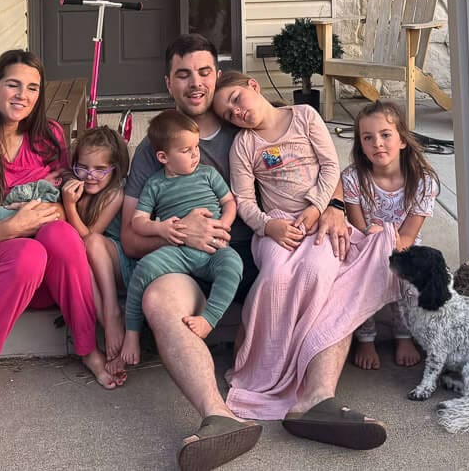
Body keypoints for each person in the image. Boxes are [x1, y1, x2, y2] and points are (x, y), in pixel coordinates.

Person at [0, 49, 122, 422]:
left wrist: (58, 204)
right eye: (13, 85)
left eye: (32, 88)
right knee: (27, 254)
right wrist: (10, 227)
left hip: (39, 287)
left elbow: (67, 187)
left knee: (62, 238)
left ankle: (88, 348)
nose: (23, 95)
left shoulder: (47, 135)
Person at [215, 70, 396, 447]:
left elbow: (331, 167)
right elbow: (244, 199)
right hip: (277, 228)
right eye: (229, 115)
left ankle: (306, 376)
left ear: (252, 85)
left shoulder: (304, 116)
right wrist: (268, 227)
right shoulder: (244, 145)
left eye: (236, 100)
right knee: (275, 280)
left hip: (320, 222)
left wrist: (319, 208)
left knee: (318, 270)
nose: (237, 113)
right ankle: (263, 373)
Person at [122, 110, 244, 366]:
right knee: (144, 269)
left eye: (196, 147)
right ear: (163, 157)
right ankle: (131, 332)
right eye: (186, 150)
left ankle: (208, 319)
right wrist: (162, 229)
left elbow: (229, 202)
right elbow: (138, 221)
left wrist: (223, 224)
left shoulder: (208, 174)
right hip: (177, 250)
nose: (195, 154)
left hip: (214, 248)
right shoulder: (155, 184)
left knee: (234, 266)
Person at [342, 100, 440, 370]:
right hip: (365, 247)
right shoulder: (353, 178)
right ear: (361, 145)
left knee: (407, 277)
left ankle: (403, 335)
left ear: (403, 140)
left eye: (386, 135)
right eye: (368, 137)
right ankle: (365, 337)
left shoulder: (422, 181)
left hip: (403, 248)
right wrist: (375, 244)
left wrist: (390, 249)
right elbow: (357, 226)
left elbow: (409, 234)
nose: (378, 143)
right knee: (359, 275)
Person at [61, 125, 131, 376]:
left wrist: (70, 207)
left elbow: (91, 236)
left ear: (115, 169)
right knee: (80, 262)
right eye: (83, 167)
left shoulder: (115, 195)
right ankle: (108, 324)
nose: (90, 175)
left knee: (90, 244)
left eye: (101, 169)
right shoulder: (76, 188)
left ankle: (113, 313)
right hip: (94, 268)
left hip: (119, 265)